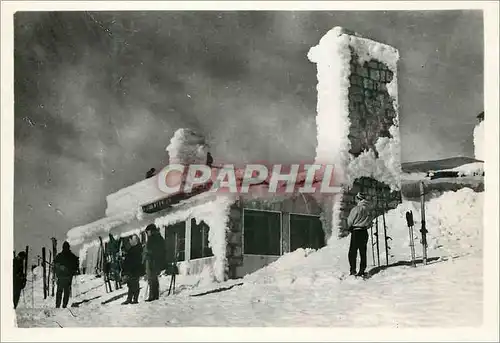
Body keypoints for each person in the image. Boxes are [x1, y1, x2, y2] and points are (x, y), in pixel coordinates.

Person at [347, 192, 373, 277]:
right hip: (364, 232)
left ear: (358, 199)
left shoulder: (356, 209)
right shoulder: (368, 209)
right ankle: (362, 270)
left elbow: (350, 221)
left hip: (356, 231)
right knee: (363, 252)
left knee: (352, 252)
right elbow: (370, 222)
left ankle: (353, 270)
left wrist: (350, 226)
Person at [143, 224, 166, 302]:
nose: (147, 233)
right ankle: (154, 295)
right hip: (154, 261)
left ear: (152, 231)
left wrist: (147, 252)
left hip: (152, 261)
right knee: (153, 279)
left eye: (148, 231)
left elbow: (155, 250)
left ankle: (152, 296)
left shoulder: (154, 238)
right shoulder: (158, 237)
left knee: (152, 279)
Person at [54, 241, 79, 308]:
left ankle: (59, 306)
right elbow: (55, 264)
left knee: (62, 292)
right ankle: (62, 306)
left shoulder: (60, 256)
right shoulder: (70, 256)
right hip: (65, 277)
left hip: (65, 277)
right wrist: (60, 267)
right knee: (65, 292)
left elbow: (55, 264)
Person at [121, 234, 144, 305]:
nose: (130, 242)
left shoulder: (137, 249)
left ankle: (135, 299)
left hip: (134, 269)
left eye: (130, 240)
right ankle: (130, 299)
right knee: (130, 284)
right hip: (132, 270)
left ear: (134, 240)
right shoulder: (134, 248)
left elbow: (134, 260)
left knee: (135, 284)